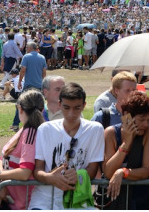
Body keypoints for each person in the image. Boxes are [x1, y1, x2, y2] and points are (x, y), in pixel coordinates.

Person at [30, 82, 105, 210]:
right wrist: (50, 178)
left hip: (77, 200)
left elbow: (93, 168)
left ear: (84, 106)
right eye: (66, 107)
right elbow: (38, 170)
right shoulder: (45, 129)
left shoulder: (95, 129)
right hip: (44, 200)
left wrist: (79, 175)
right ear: (59, 104)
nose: (71, 114)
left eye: (77, 108)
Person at [0, 89, 45, 210]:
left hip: (23, 205)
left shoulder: (31, 132)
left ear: (19, 108)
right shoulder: (24, 130)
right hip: (11, 201)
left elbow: (25, 173)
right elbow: (2, 158)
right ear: (42, 110)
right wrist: (1, 182)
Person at [102, 91, 149, 209]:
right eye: (141, 119)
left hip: (140, 200)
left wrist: (122, 172)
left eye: (148, 119)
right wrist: (126, 143)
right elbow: (108, 172)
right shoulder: (110, 133)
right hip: (113, 201)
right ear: (126, 115)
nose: (146, 124)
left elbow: (147, 171)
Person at [12, 42, 47, 131]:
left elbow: (23, 70)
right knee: (38, 105)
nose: (26, 48)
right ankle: (39, 122)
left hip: (28, 85)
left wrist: (20, 81)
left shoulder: (26, 57)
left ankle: (16, 124)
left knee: (21, 103)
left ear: (31, 48)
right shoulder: (42, 57)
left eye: (27, 47)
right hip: (39, 85)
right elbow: (44, 72)